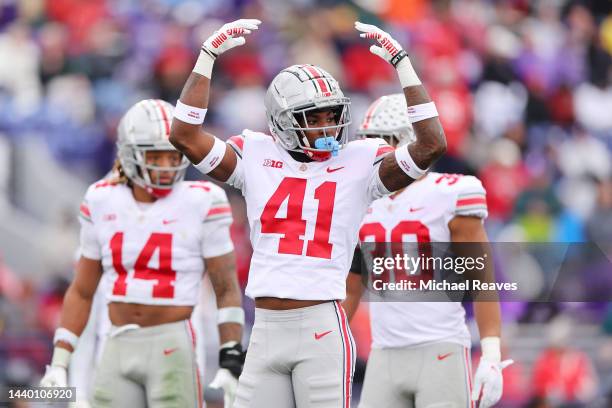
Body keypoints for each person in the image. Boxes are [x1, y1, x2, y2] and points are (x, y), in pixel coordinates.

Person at [169, 19, 446, 407]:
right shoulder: (256, 154)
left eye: (331, 115)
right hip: (264, 329)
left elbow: (431, 145)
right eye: (312, 118)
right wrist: (207, 57)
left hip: (321, 328)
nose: (327, 126)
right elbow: (183, 134)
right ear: (282, 120)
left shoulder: (360, 160)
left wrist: (403, 65)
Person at [40, 99, 244, 408]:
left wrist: (230, 354)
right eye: (155, 156)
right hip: (117, 342)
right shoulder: (101, 198)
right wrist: (60, 360)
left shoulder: (203, 200)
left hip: (172, 342)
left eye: (172, 155)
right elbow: (82, 291)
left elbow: (226, 287)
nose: (165, 167)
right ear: (129, 153)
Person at [343, 94, 512, 408]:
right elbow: (351, 286)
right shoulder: (360, 199)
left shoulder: (450, 193)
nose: (372, 151)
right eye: (366, 141)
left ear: (408, 142)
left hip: (440, 350)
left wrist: (491, 353)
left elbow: (482, 278)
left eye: (381, 140)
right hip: (384, 353)